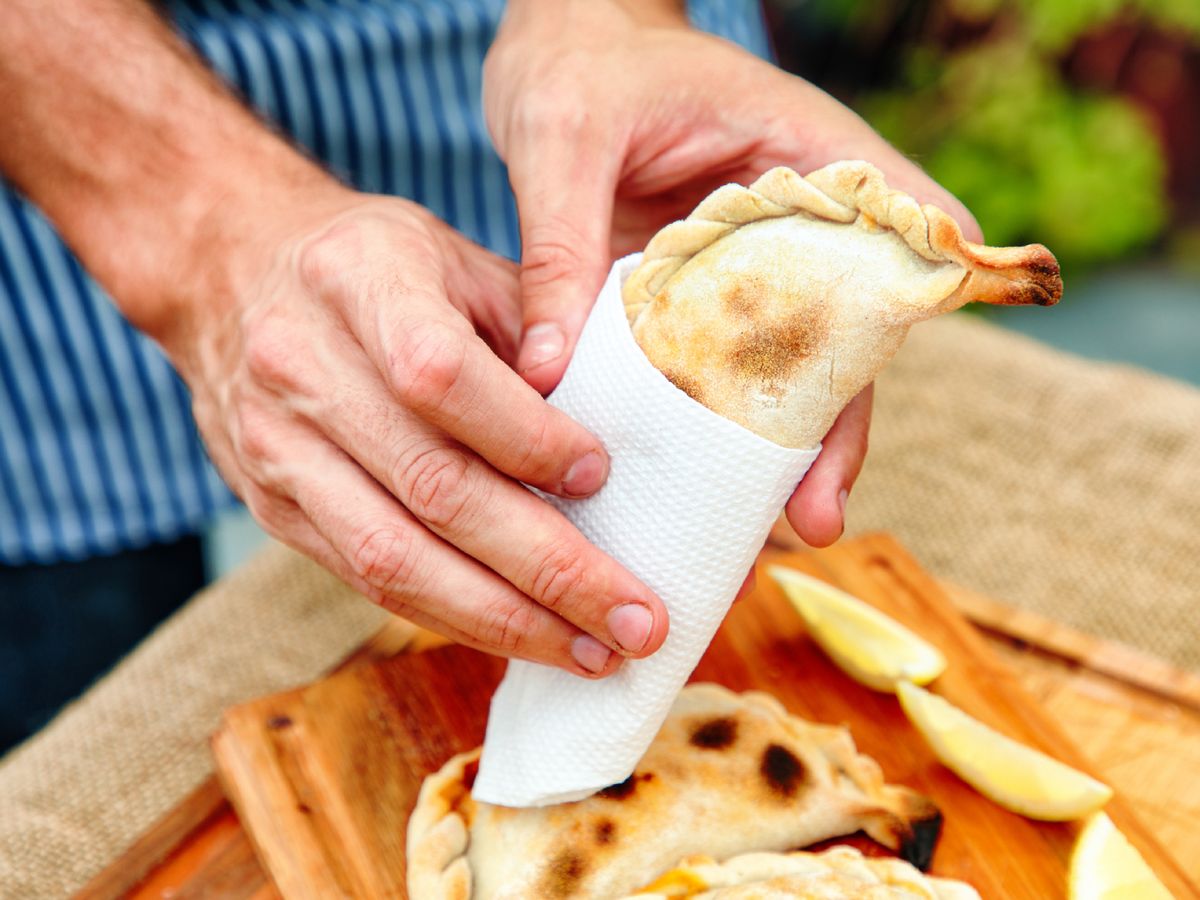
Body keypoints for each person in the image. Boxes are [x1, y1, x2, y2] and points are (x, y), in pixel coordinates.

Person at [0, 0, 980, 747]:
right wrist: (200, 225)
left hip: (644, 129)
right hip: (78, 149)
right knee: (110, 754)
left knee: (699, 619)